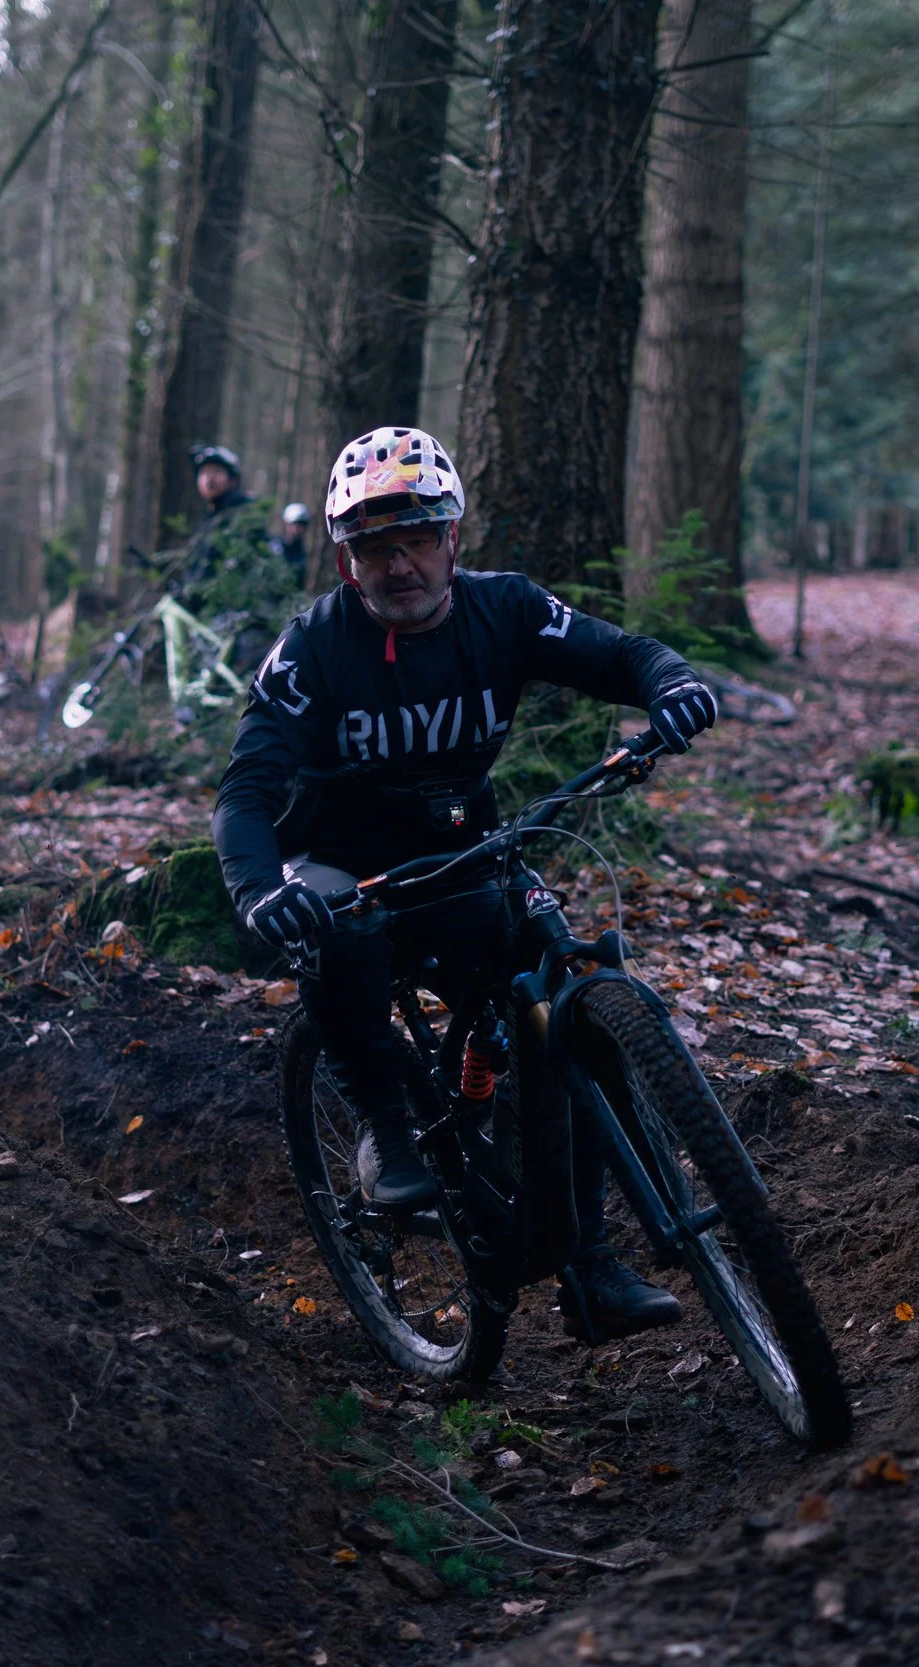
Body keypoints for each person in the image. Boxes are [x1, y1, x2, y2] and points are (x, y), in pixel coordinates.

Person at [211, 425, 720, 1342]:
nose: (397, 563)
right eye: (373, 546)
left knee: (566, 997)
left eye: (415, 538)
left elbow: (622, 655)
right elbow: (244, 793)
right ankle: (387, 1130)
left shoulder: (508, 610)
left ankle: (590, 1267)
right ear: (344, 559)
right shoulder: (311, 650)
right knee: (339, 929)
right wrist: (257, 889)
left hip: (465, 853)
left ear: (453, 538)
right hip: (341, 861)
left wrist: (671, 683)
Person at [178, 444, 295, 622]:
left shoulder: (243, 514)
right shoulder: (208, 520)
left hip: (237, 613)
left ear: (231, 478)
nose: (209, 478)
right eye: (203, 473)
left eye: (216, 471)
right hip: (205, 611)